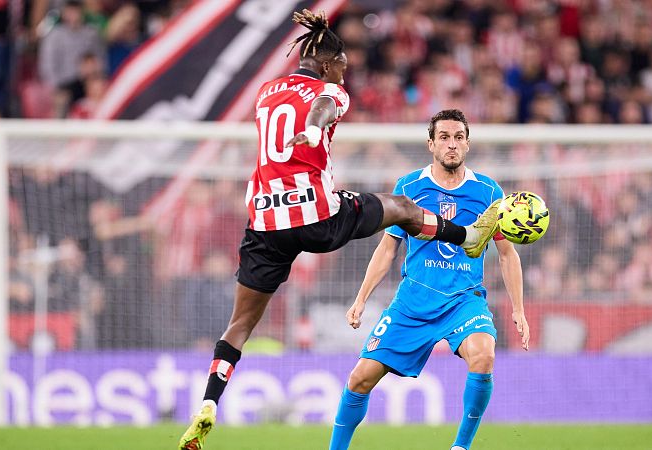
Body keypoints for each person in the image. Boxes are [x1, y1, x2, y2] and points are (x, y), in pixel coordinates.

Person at [178, 11, 502, 450]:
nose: (345, 74)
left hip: (264, 222)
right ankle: (466, 236)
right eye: (344, 66)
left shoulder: (265, 92)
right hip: (316, 215)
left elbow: (299, 100)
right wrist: (314, 129)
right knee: (403, 207)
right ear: (330, 64)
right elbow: (323, 105)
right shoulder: (333, 91)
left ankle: (210, 401)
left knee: (239, 324)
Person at [328, 109, 530, 450]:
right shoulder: (409, 187)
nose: (452, 145)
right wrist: (362, 298)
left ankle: (460, 447)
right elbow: (388, 248)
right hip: (413, 302)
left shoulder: (488, 191)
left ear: (467, 144)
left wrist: (519, 309)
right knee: (360, 379)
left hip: (463, 300)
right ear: (431, 144)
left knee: (483, 355)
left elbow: (508, 254)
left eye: (458, 138)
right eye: (444, 138)